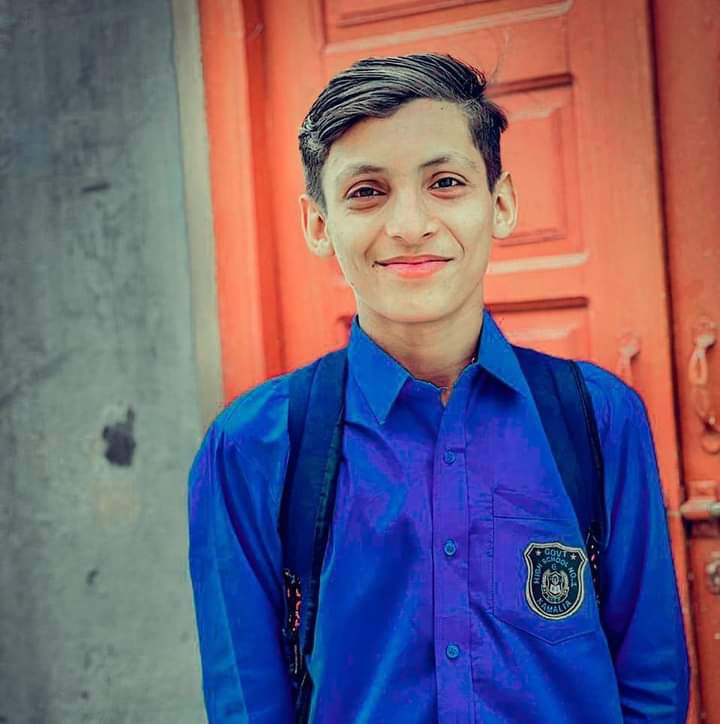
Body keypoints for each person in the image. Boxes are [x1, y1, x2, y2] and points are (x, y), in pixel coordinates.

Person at [188, 53, 689, 723]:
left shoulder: (598, 418)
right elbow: (247, 705)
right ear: (318, 224)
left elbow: (652, 681)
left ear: (500, 204)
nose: (409, 225)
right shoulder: (252, 446)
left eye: (446, 182)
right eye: (366, 191)